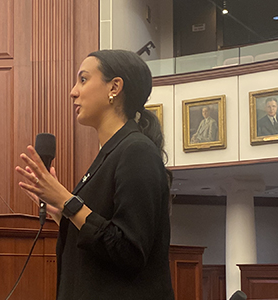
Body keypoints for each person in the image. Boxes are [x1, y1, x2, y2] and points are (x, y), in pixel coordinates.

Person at [15, 50, 174, 300]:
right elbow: (103, 239)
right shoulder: (111, 154)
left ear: (115, 87)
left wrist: (68, 201)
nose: (73, 91)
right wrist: (63, 214)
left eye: (84, 79)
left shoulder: (137, 151)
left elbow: (129, 251)